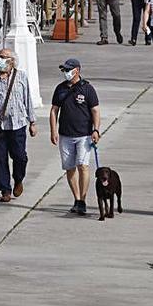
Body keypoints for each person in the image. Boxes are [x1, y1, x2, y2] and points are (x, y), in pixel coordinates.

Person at [0, 48, 37, 203]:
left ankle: (18, 179)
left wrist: (32, 121)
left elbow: (28, 99)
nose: (0, 59)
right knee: (0, 159)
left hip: (17, 124)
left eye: (3, 57)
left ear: (12, 60)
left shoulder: (21, 77)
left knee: (20, 157)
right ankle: (5, 190)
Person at [50, 58, 100, 216]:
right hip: (65, 135)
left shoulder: (87, 89)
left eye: (68, 69)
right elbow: (54, 111)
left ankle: (82, 200)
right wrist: (53, 131)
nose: (66, 72)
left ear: (77, 70)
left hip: (84, 135)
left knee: (83, 166)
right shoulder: (60, 89)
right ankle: (76, 198)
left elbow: (95, 111)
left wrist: (96, 130)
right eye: (64, 70)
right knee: (69, 167)